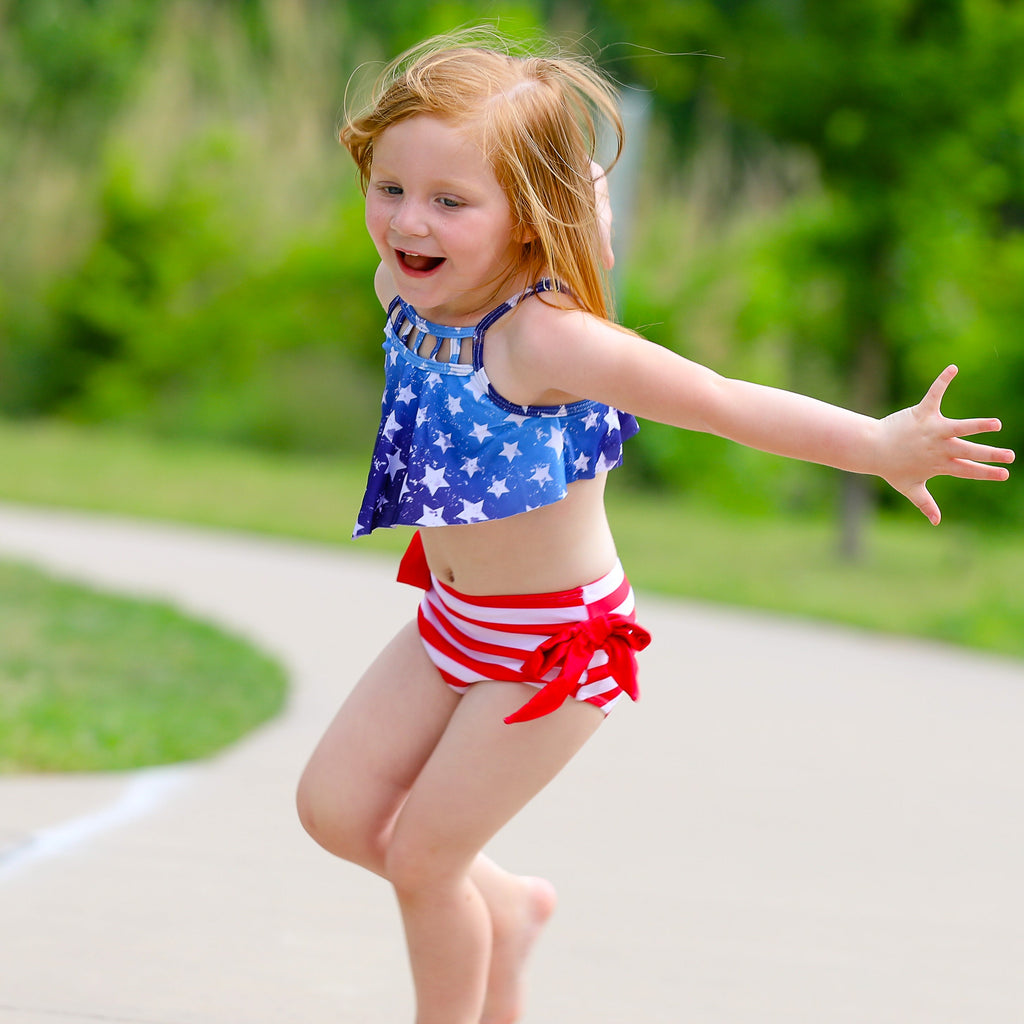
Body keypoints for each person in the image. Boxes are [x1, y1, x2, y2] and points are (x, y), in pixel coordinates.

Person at [295, 28, 1014, 1024]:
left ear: (523, 217)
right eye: (391, 189)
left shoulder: (547, 339)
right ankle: (508, 904)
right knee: (333, 812)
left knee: (423, 860)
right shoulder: (404, 290)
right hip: (451, 621)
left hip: (551, 650)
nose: (409, 221)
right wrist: (575, 219)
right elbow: (531, 241)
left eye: (450, 201)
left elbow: (718, 398)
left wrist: (878, 443)